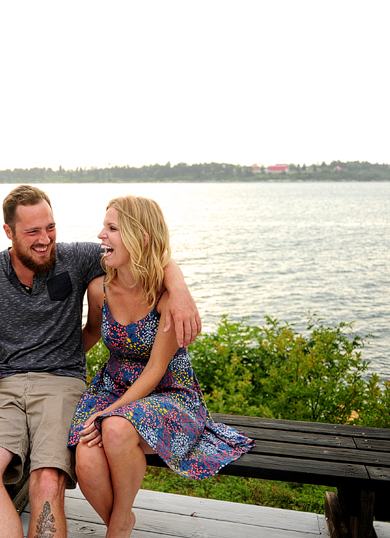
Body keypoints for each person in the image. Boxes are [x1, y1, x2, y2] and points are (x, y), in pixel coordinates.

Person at [0, 185, 201, 538]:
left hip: (61, 383)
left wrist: (181, 290)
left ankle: (118, 524)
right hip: (2, 383)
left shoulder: (76, 258)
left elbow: (148, 249)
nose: (44, 239)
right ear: (9, 232)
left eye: (50, 228)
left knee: (47, 477)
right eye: (32, 231)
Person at [68, 196, 254, 538]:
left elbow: (155, 371)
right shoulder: (99, 290)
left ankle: (119, 525)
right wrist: (52, 364)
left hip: (166, 390)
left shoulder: (167, 297)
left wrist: (107, 413)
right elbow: (93, 331)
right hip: (112, 387)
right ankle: (120, 523)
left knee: (114, 429)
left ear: (141, 238)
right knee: (86, 459)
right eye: (104, 226)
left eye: (112, 229)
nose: (100, 235)